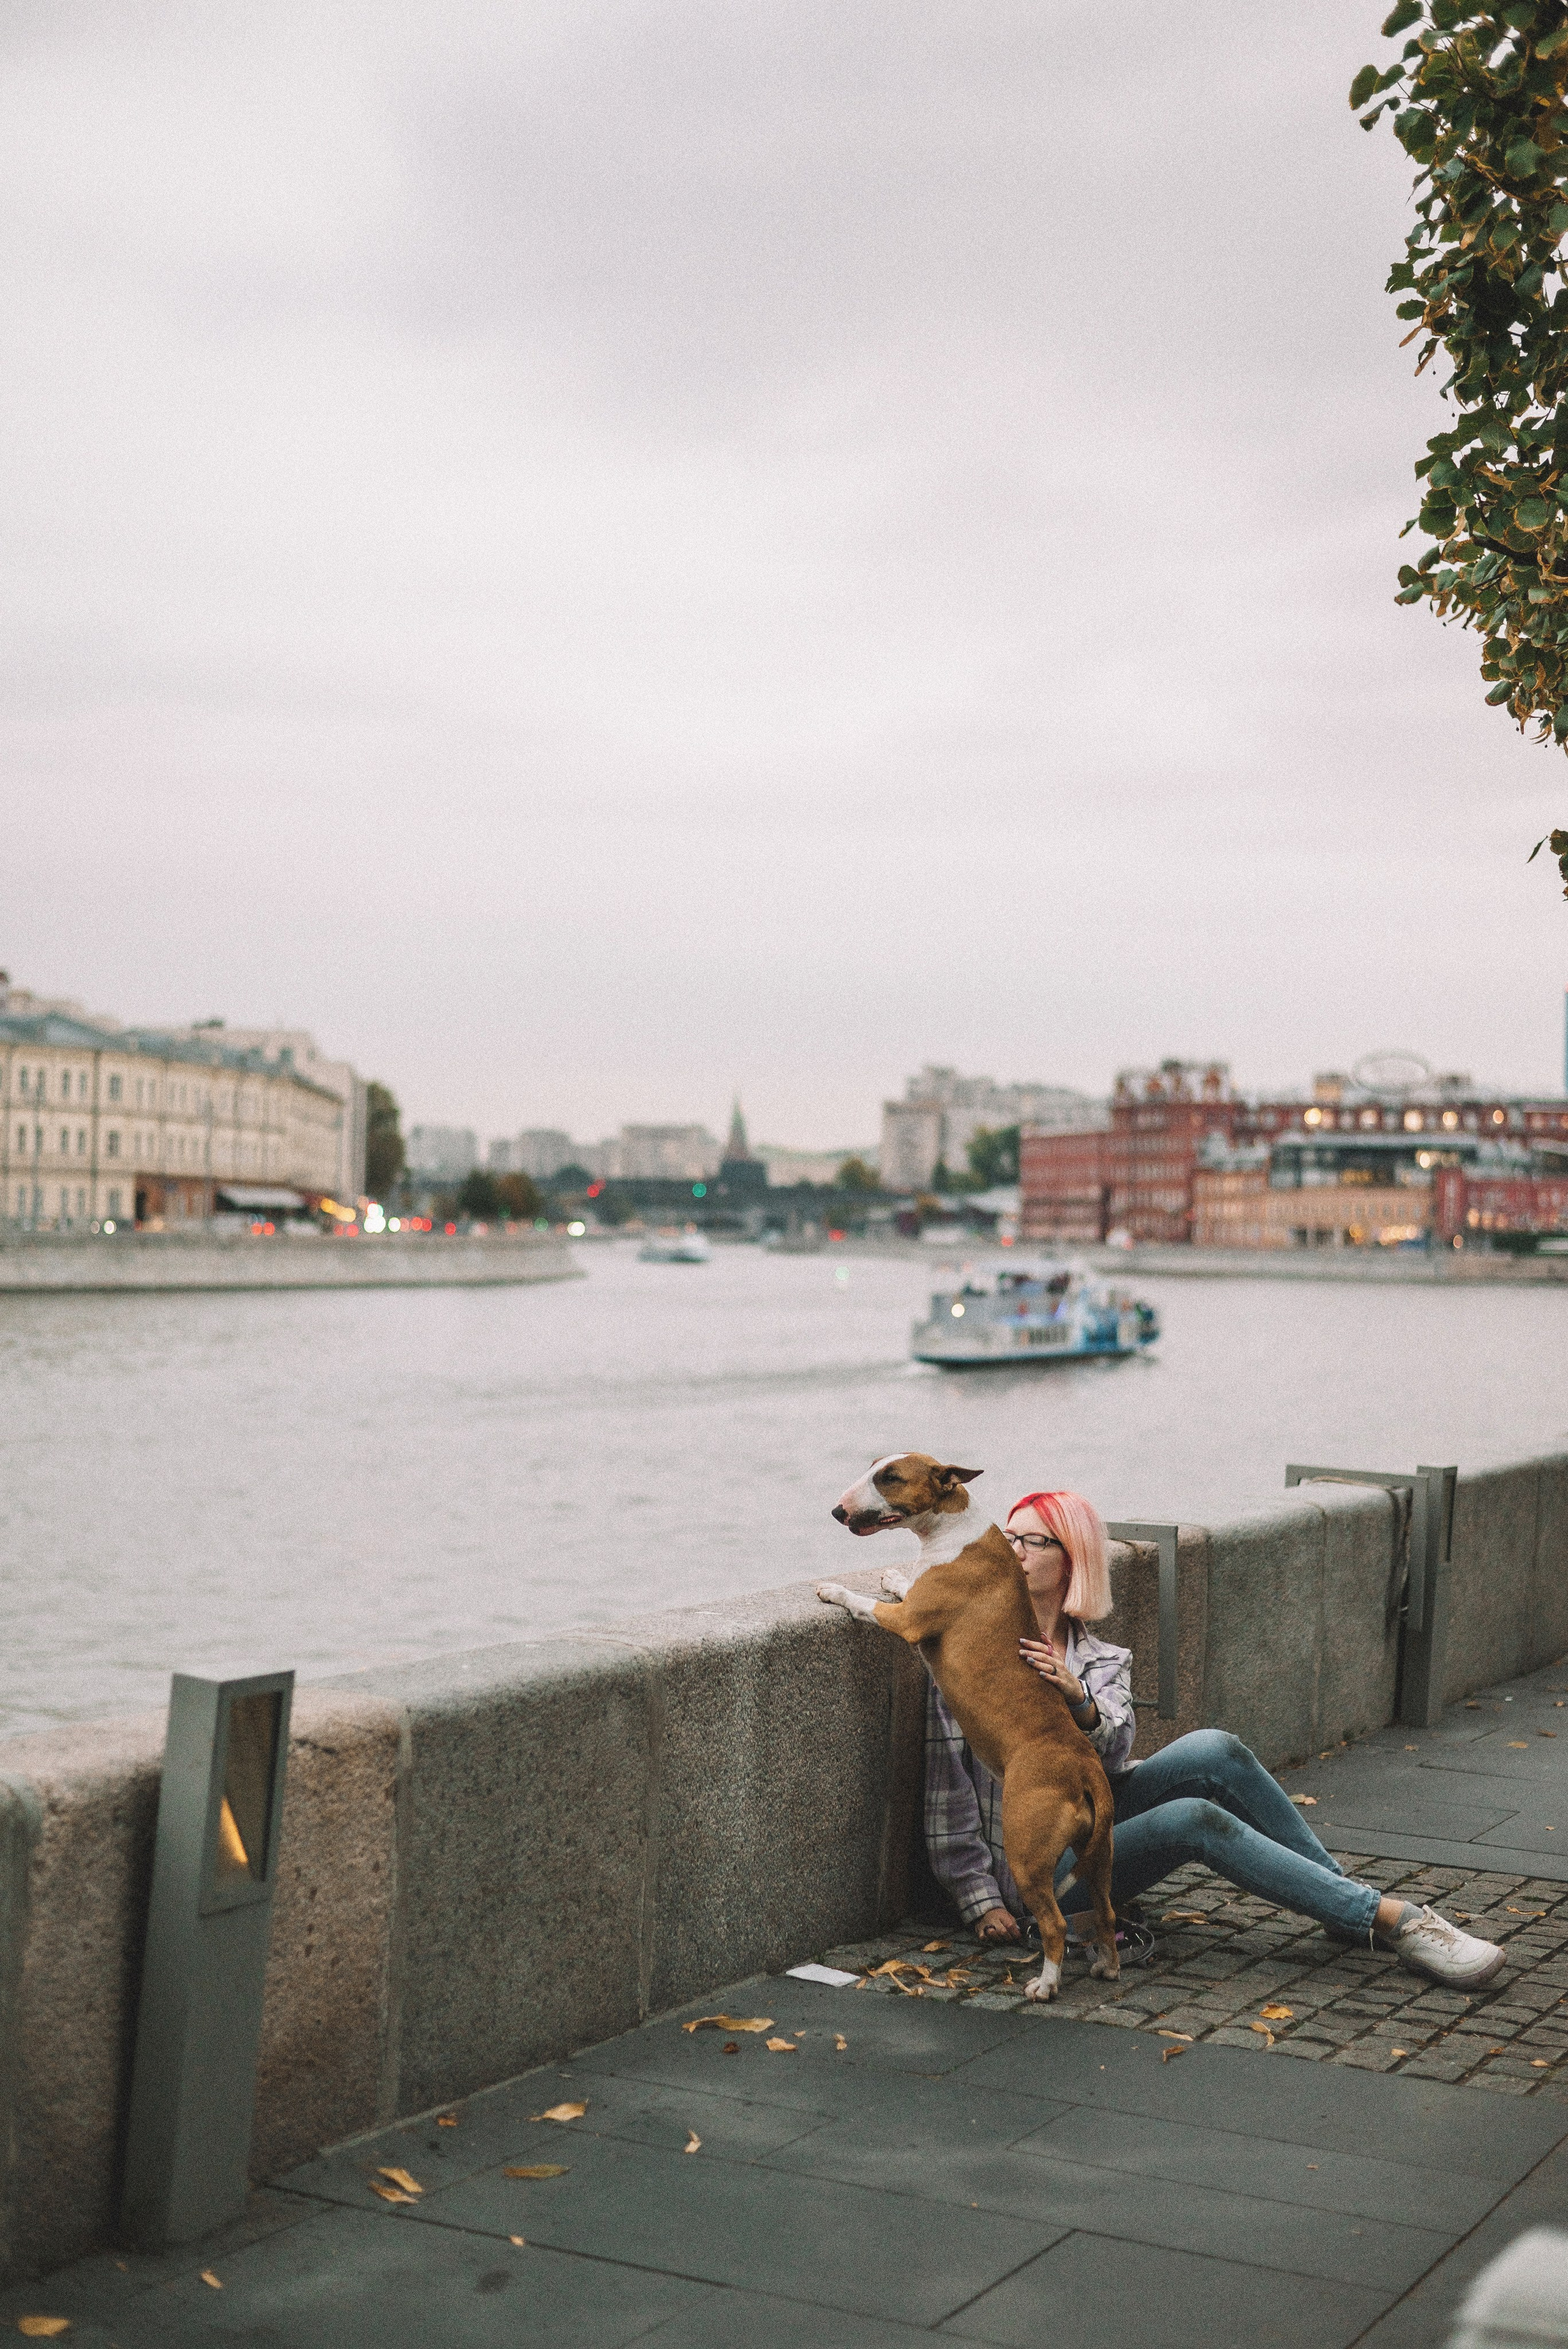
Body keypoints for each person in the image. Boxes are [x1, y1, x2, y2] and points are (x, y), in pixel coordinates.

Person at [923, 1486, 1506, 1988]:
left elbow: (1111, 1758)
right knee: (1194, 1819)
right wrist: (983, 1901)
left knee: (1215, 1748)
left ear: (1072, 1557)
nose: (1012, 1551)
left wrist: (1078, 1698)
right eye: (1009, 1537)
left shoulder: (1100, 1659)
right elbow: (947, 1782)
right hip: (1042, 1875)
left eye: (1033, 1540)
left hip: (1090, 1823)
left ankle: (1341, 1903)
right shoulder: (977, 1655)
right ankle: (1392, 1918)